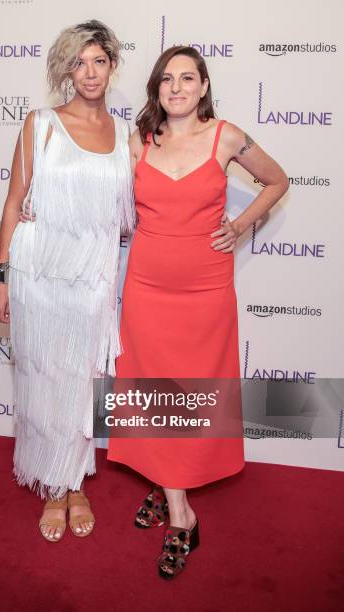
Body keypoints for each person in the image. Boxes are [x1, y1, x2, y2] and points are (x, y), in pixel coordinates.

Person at [107, 45, 289, 578]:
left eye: (188, 78)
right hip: (146, 288)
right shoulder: (140, 140)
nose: (178, 87)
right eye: (168, 79)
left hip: (206, 292)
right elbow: (109, 203)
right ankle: (178, 503)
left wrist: (239, 226)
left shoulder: (227, 136)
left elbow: (278, 181)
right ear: (157, 88)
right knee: (154, 389)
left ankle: (177, 507)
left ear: (204, 85)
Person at [0, 20, 133, 543]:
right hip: (39, 274)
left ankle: (76, 480)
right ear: (65, 68)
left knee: (83, 381)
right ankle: (56, 485)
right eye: (79, 62)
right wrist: (2, 275)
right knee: (45, 377)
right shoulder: (41, 124)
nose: (89, 72)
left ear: (112, 66)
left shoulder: (127, 135)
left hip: (94, 276)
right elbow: (12, 201)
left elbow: (145, 201)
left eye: (99, 61)